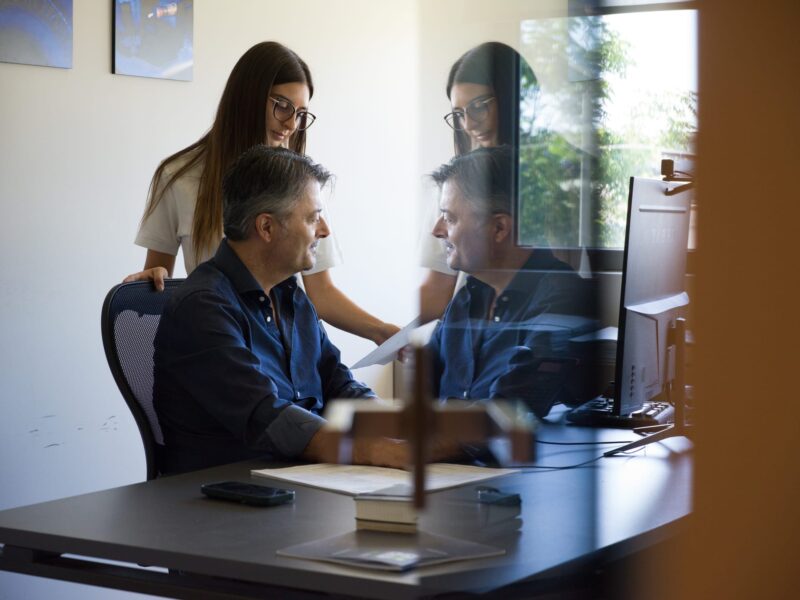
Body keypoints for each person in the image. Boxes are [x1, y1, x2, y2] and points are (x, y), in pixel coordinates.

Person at [153, 146, 410, 475]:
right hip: (230, 494)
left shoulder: (291, 296)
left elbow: (338, 385)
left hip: (302, 480)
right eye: (313, 217)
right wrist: (374, 450)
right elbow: (267, 416)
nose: (324, 231)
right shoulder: (203, 308)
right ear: (267, 228)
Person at [125, 41, 398, 345]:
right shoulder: (178, 178)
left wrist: (382, 332)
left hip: (279, 352)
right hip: (216, 343)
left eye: (301, 113)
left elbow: (321, 293)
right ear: (248, 99)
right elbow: (158, 274)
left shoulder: (299, 183)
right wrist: (153, 279)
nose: (292, 124)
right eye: (282, 106)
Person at [427, 147, 595, 418]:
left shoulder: (564, 299)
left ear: (499, 228)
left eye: (450, 218)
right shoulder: (468, 296)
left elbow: (511, 411)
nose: (437, 230)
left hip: (503, 459)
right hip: (446, 457)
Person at [419, 42, 533, 323]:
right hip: (469, 333)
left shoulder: (544, 182)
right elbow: (437, 289)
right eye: (458, 114)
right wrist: (388, 333)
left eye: (479, 106)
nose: (468, 123)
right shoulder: (453, 187)